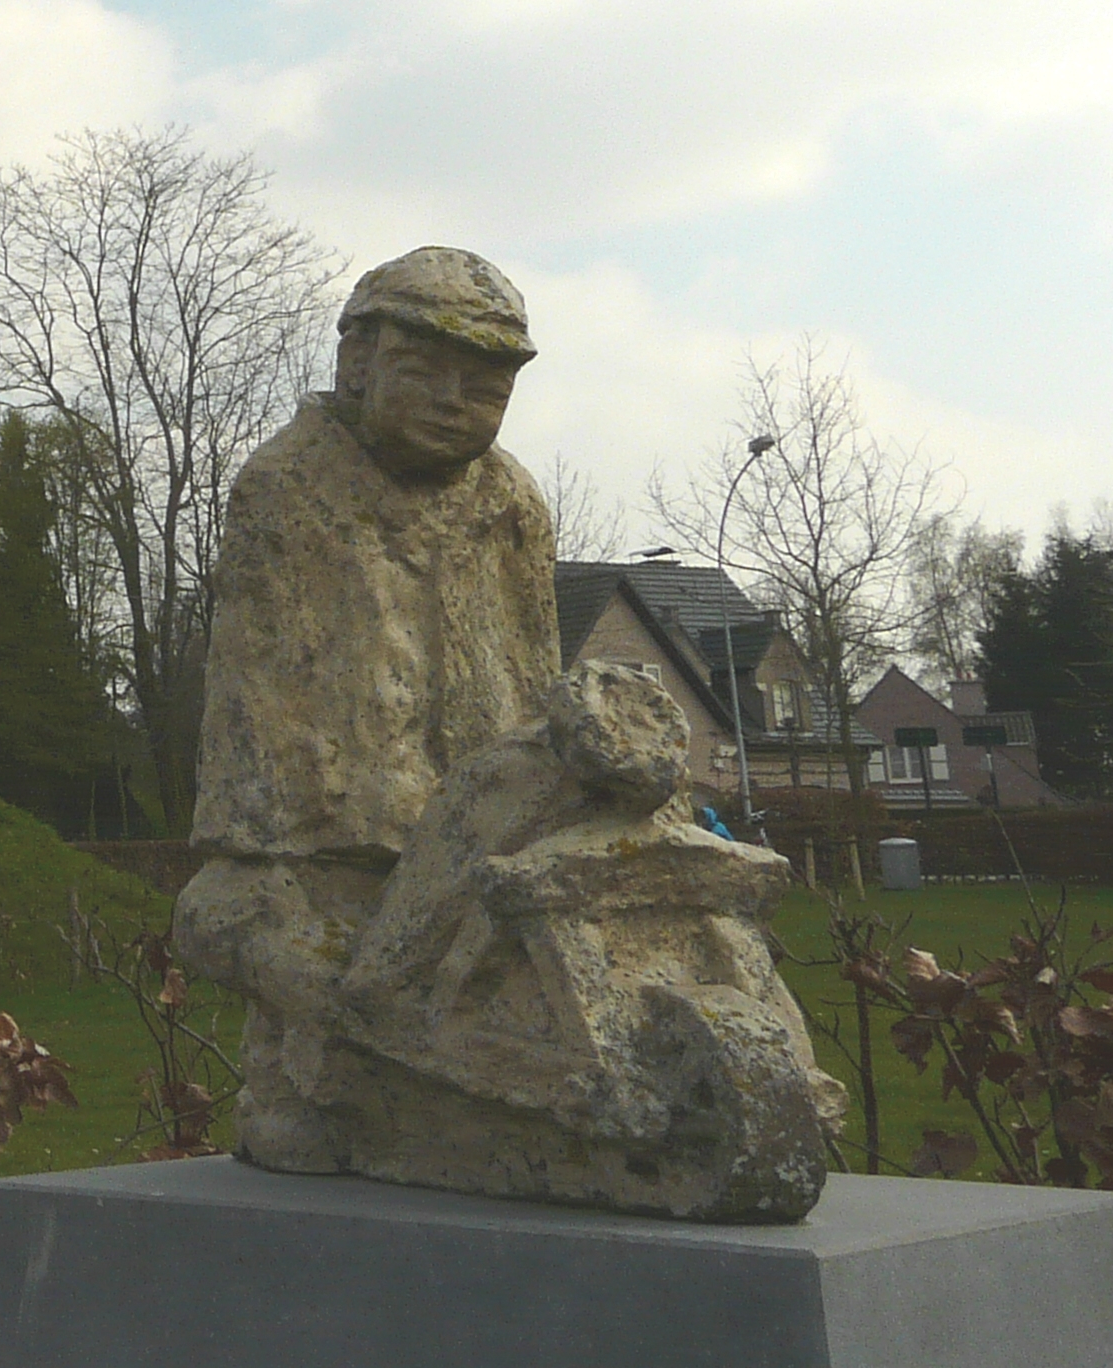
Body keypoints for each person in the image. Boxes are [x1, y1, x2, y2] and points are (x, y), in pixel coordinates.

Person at [175, 246, 841, 1220]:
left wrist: (553, 776)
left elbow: (530, 678)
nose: (455, 402)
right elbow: (266, 709)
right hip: (336, 842)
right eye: (426, 373)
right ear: (357, 360)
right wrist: (329, 832)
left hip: (500, 816)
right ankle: (319, 1085)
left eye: (485, 386)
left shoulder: (511, 503)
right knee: (273, 940)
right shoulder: (286, 489)